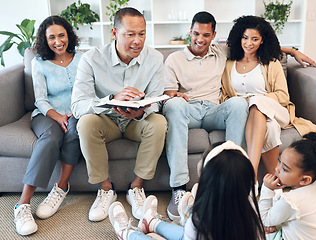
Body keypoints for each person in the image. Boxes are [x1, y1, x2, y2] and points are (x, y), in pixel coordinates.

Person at [162, 11, 316, 221]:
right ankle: (179, 187)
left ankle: (237, 176)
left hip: (240, 108)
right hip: (195, 109)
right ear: (190, 32)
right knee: (176, 106)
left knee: (241, 104)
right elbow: (168, 92)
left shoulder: (228, 54)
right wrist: (174, 96)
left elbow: (258, 47)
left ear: (214, 35)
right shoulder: (183, 59)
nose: (200, 39)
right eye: (196, 34)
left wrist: (291, 51)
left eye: (206, 35)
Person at [71, 7, 167, 222]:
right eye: (130, 34)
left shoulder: (154, 58)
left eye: (142, 34)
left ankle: (136, 187)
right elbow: (78, 105)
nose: (137, 41)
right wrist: (111, 99)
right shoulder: (91, 59)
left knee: (159, 122)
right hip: (107, 120)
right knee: (85, 123)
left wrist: (142, 110)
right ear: (114, 33)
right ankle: (106, 189)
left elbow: (156, 101)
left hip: (137, 122)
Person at [221, 15, 316, 183]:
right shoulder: (228, 63)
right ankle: (274, 183)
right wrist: (241, 106)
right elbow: (224, 96)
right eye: (245, 37)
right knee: (271, 128)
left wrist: (253, 100)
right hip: (244, 114)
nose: (248, 43)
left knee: (257, 102)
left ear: (262, 40)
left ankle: (251, 172)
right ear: (239, 37)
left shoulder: (270, 62)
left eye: (255, 39)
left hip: (276, 110)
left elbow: (283, 95)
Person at [109, 141, 266, 240]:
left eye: (201, 160)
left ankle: (127, 233)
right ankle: (152, 222)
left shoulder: (199, 220)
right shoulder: (251, 213)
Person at [13, 16, 83, 236]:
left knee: (74, 132)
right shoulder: (38, 63)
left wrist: (74, 113)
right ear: (45, 39)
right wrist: (58, 116)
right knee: (51, 138)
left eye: (61, 35)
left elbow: (90, 90)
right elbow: (40, 99)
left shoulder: (83, 58)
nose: (58, 41)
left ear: (68, 35)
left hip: (77, 113)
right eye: (51, 37)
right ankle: (22, 205)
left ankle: (61, 187)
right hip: (47, 113)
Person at [259, 131, 316, 240]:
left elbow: (265, 219)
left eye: (285, 169)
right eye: (279, 161)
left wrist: (267, 188)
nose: (277, 169)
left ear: (305, 180)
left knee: (256, 229)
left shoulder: (291, 201)